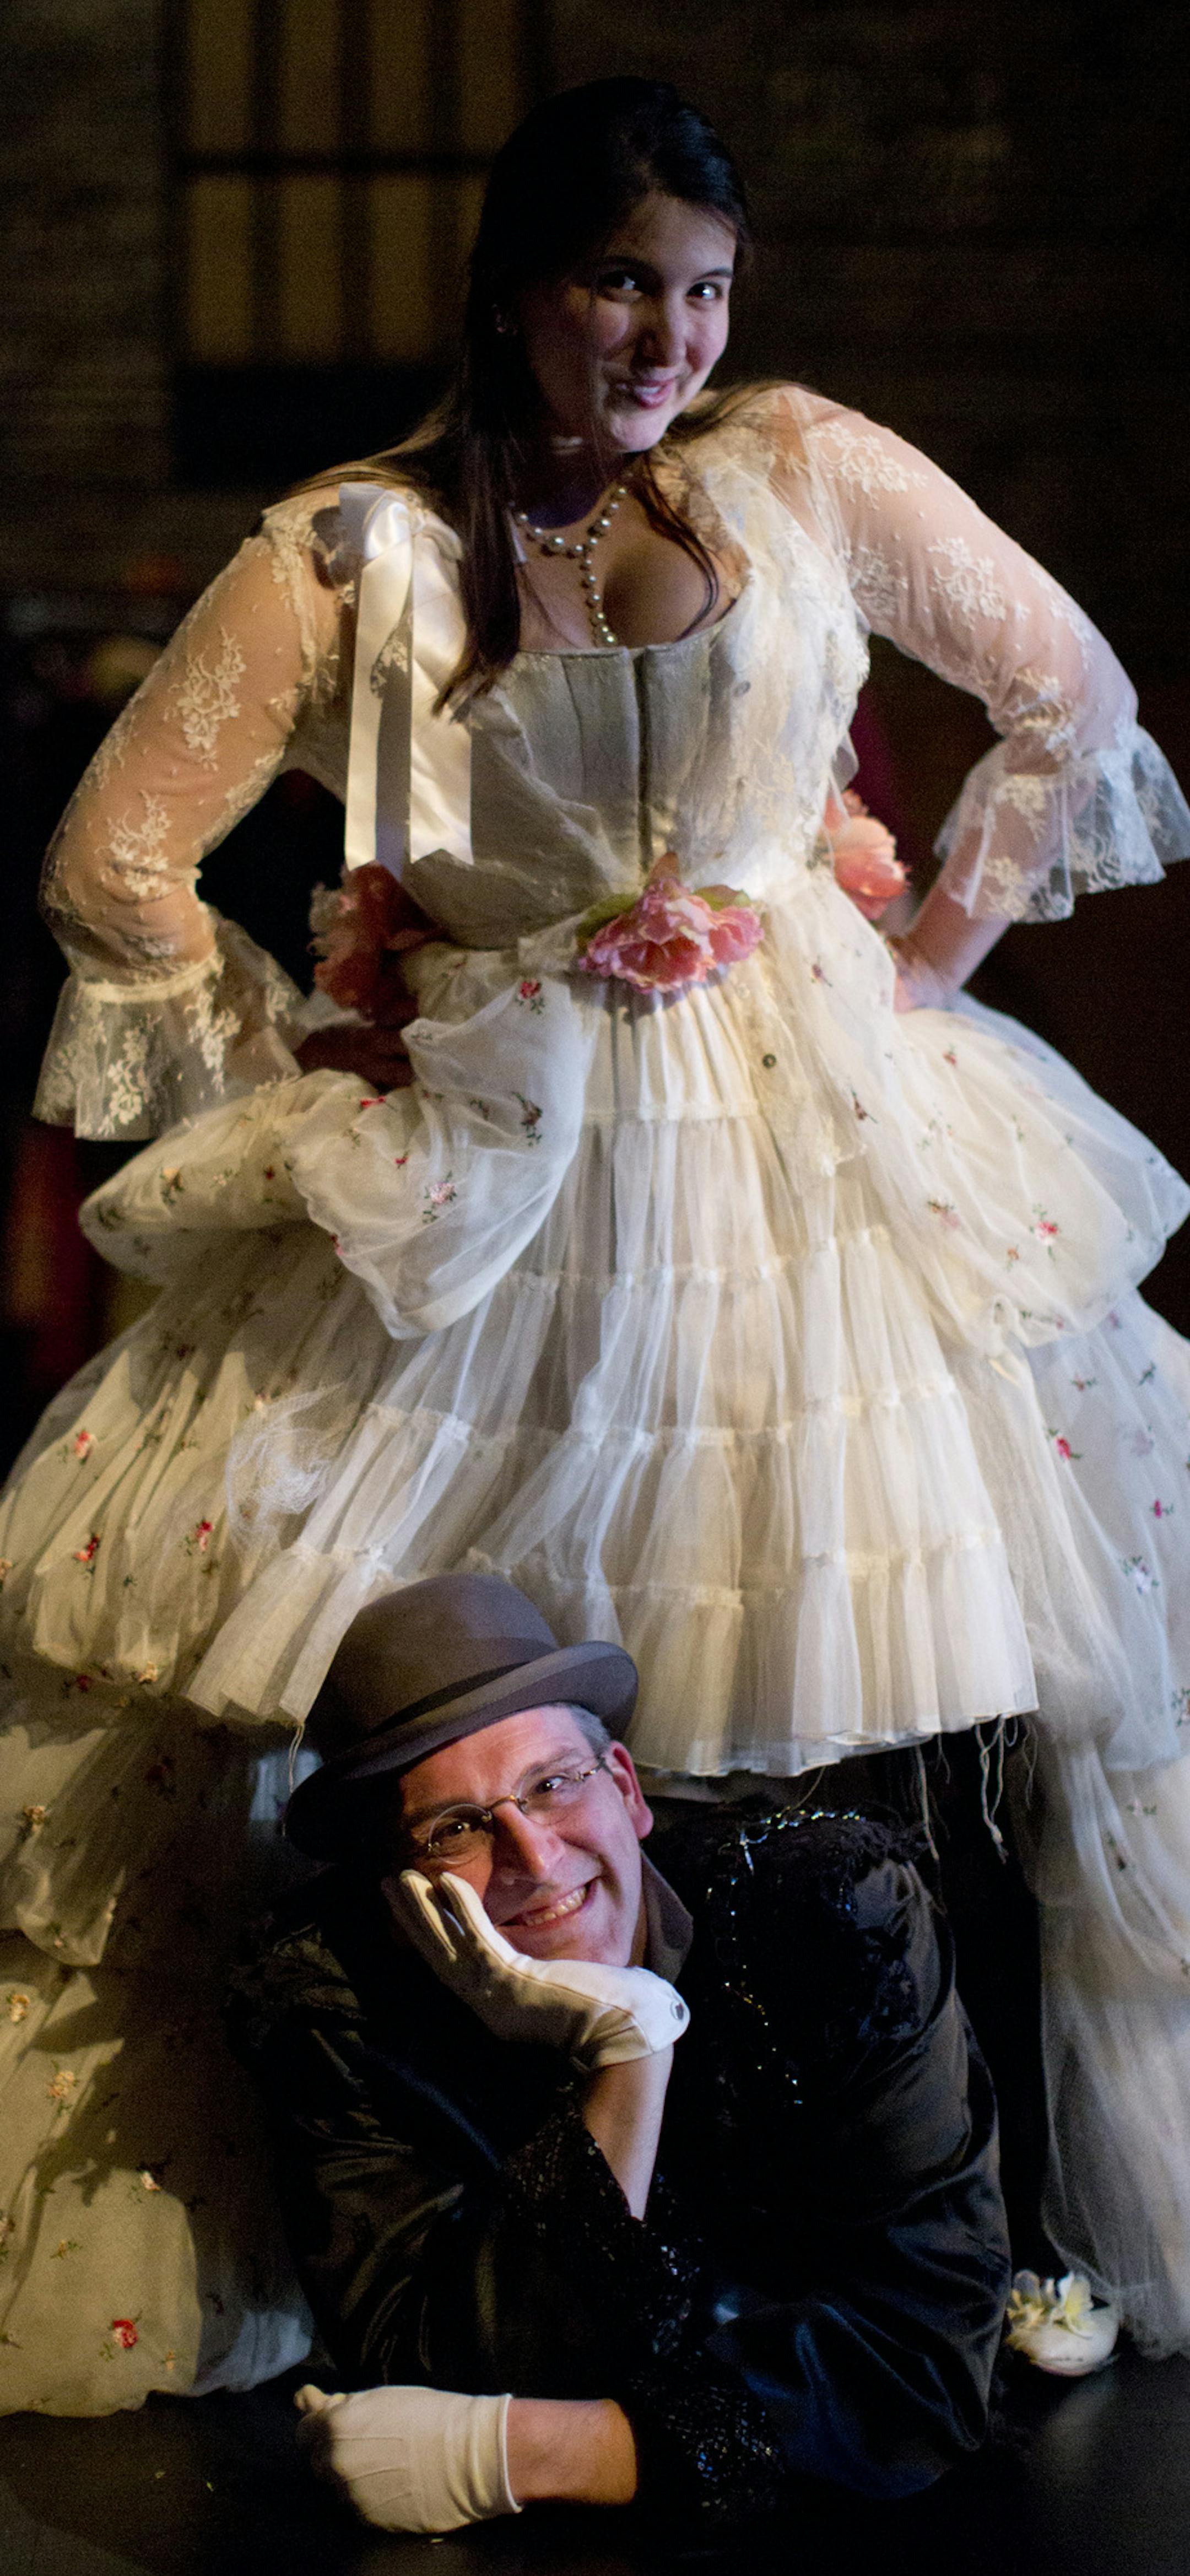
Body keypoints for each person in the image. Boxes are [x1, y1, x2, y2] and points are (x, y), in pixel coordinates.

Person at [1, 73, 1189, 2409]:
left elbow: (1065, 684)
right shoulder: (359, 551)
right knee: (458, 1675)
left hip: (804, 1128)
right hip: (506, 1162)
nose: (667, 332)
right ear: (524, 288)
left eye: (707, 287)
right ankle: (518, 2216)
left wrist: (918, 965)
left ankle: (927, 2210)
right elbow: (111, 856)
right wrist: (284, 1057)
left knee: (907, 1673)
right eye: (624, 282)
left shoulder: (801, 468)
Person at [228, 1572, 1012, 2536]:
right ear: (398, 1897)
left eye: (553, 1784)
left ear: (630, 1791)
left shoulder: (833, 1914)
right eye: (458, 1828)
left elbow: (925, 2364)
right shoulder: (334, 2005)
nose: (534, 1855)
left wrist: (538, 2454)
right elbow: (428, 2364)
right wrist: (626, 2058)